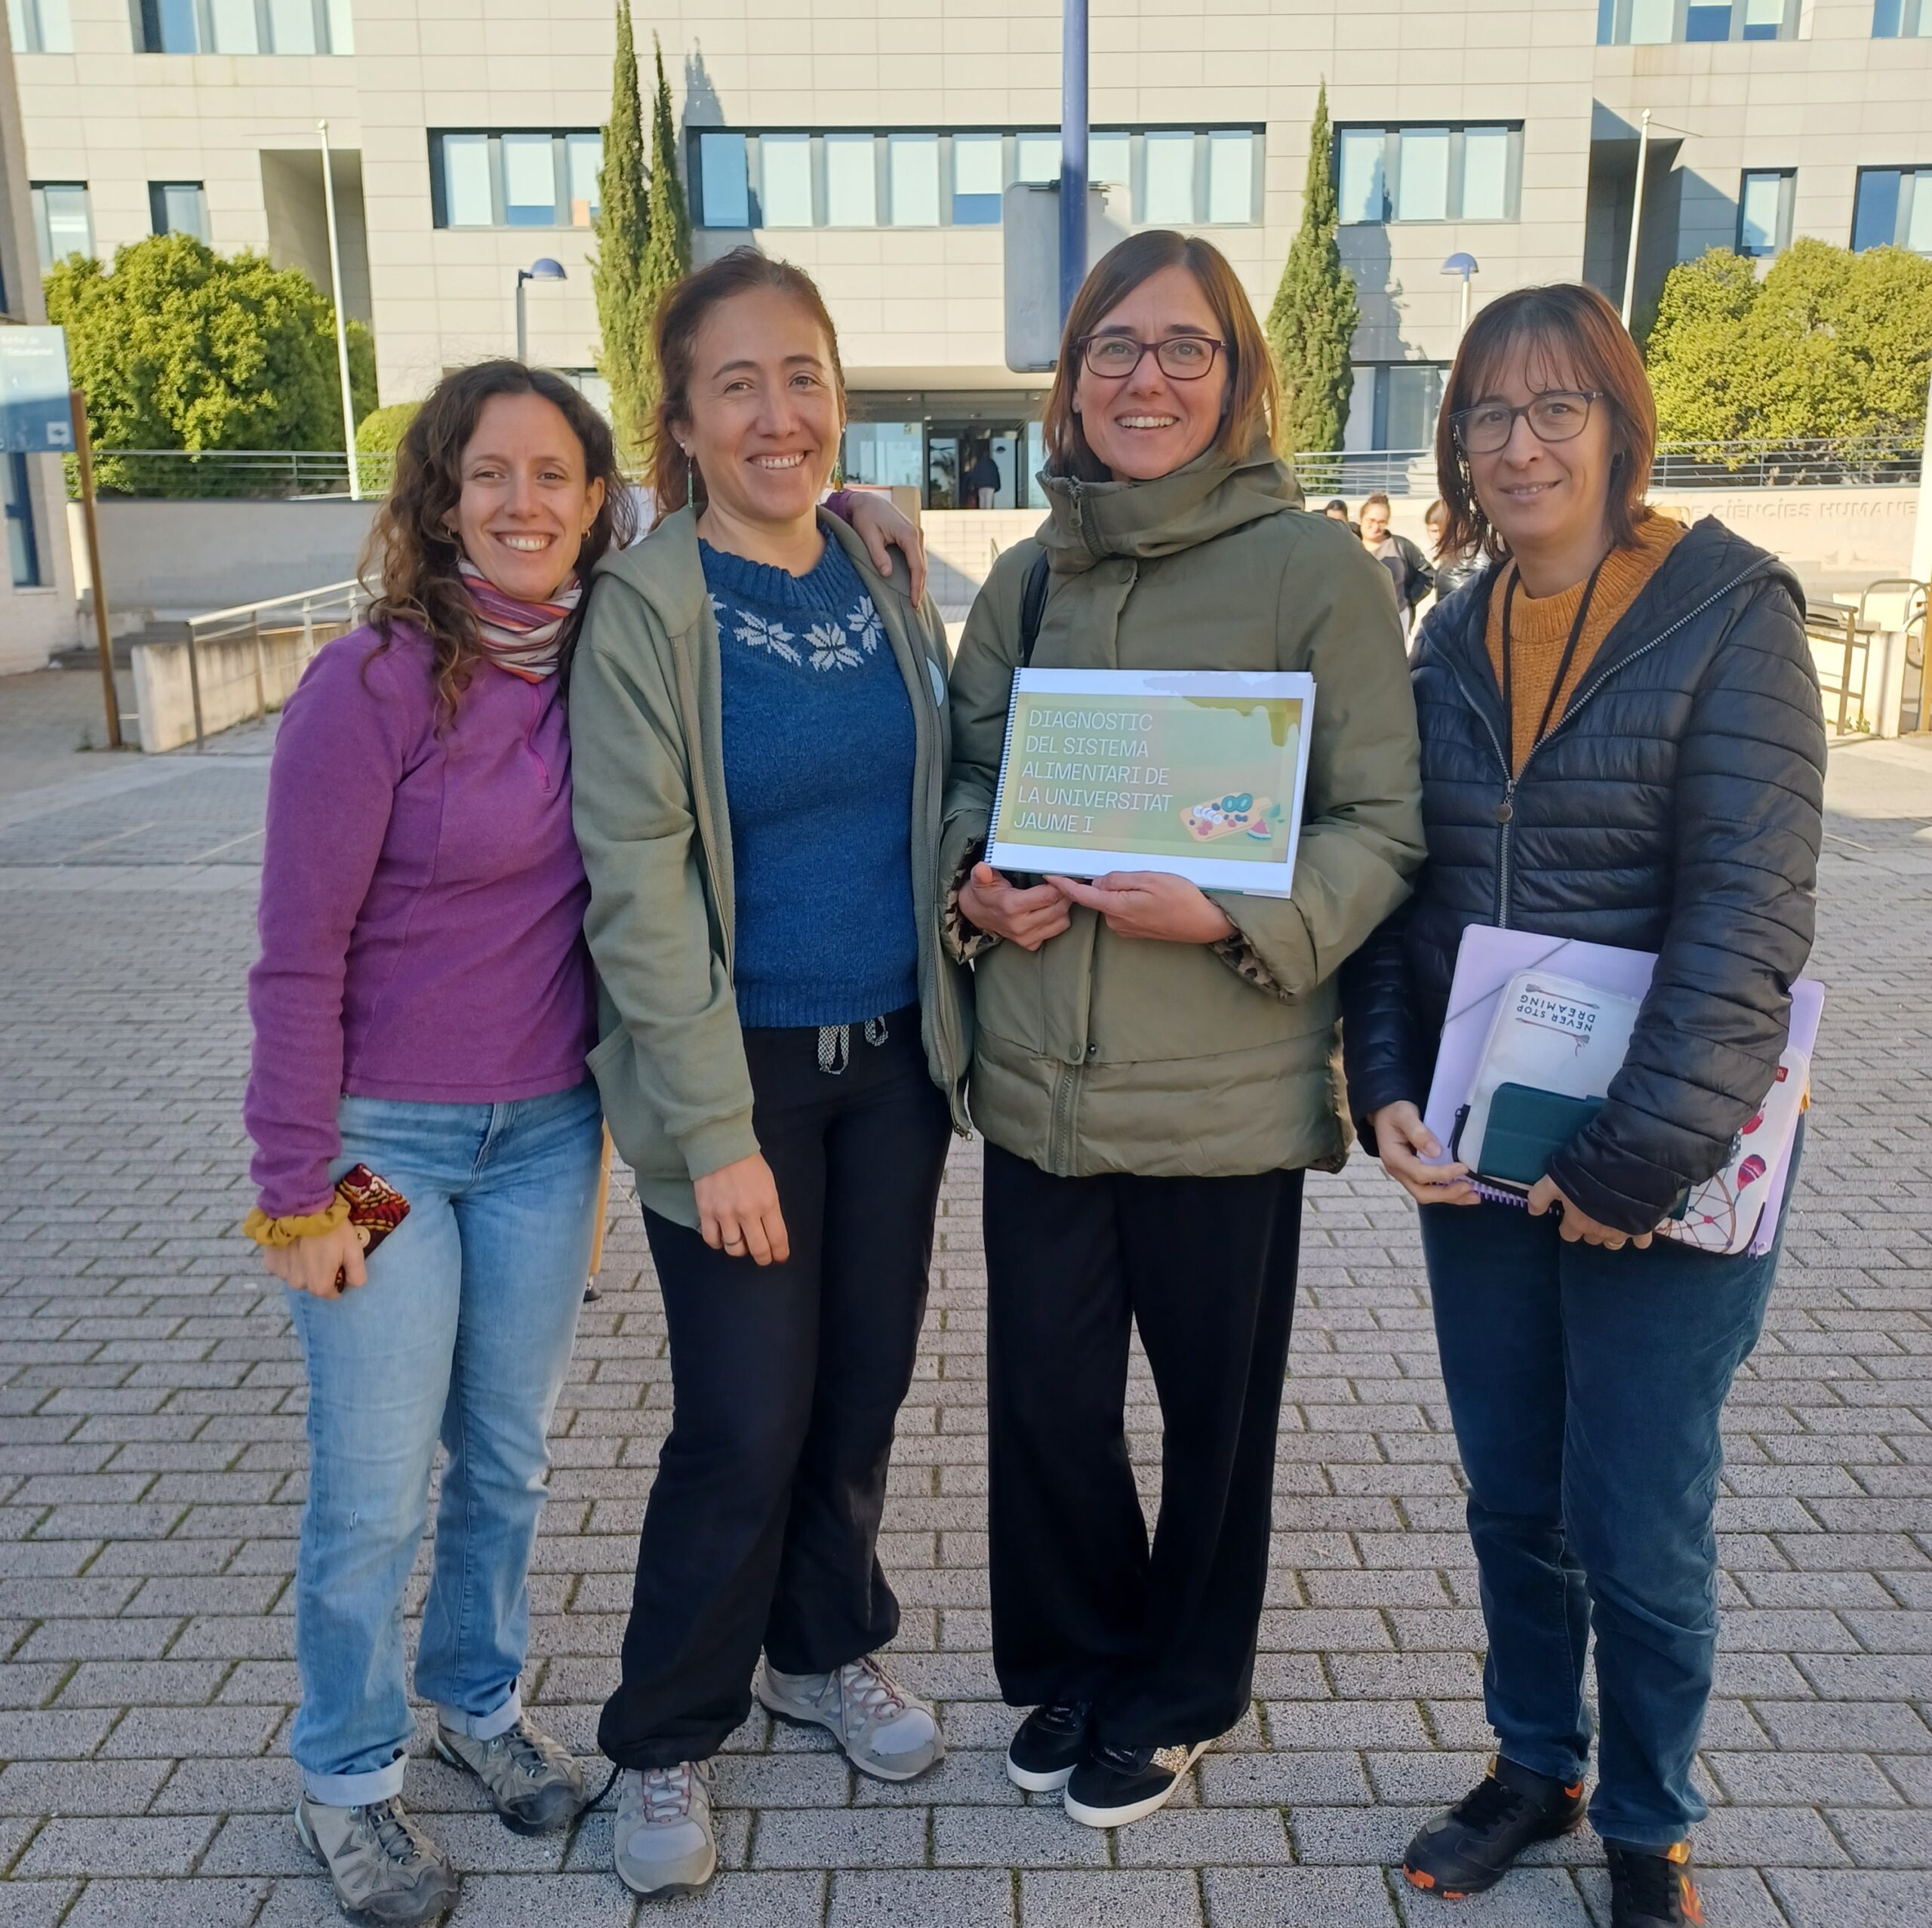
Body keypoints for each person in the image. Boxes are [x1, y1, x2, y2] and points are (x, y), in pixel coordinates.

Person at [1341, 283, 1826, 1928]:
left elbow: (1747, 922)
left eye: (1558, 406)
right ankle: (1535, 1763)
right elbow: (1400, 890)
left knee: (1638, 1517)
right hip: (1486, 1155)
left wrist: (1627, 1162)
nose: (1521, 441)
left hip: (1666, 1163)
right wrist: (1384, 1084)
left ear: (1622, 425)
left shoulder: (1728, 613)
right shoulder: (1446, 637)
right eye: (1488, 411)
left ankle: (1646, 1816)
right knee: (1512, 1497)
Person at [943, 230, 1426, 1831]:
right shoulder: (1029, 576)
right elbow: (970, 771)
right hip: (1042, 1088)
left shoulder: (1312, 572)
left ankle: (1183, 1687)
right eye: (1114, 348)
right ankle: (1083, 1659)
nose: (1145, 378)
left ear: (1236, 376)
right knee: (1047, 1410)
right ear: (1071, 379)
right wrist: (975, 876)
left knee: (1215, 1422)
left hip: (1223, 1093)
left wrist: (1228, 915)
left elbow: (1380, 820)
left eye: (1184, 348)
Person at [569, 248, 970, 1901]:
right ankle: (663, 1732)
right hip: (732, 1080)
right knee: (743, 1418)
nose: (777, 413)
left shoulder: (880, 567)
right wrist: (713, 1131)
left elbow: (939, 774)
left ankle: (822, 1644)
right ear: (678, 423)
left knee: (859, 1391)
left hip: (894, 1067)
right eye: (735, 384)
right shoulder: (645, 611)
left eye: (801, 375)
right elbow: (636, 889)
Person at [242, 361, 635, 1928]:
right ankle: (345, 1776)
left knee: (510, 1459)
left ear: (595, 502)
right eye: (490, 473)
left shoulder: (609, 667)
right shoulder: (370, 684)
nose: (521, 502)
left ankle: (477, 1701)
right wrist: (295, 1195)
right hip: (381, 1148)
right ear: (443, 497)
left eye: (553, 474)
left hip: (546, 1139)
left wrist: (866, 510)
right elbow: (295, 955)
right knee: (374, 1483)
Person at [1360, 490, 1435, 635]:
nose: (1376, 526)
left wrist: (1408, 599)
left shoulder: (1401, 546)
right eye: (1371, 520)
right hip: (1359, 620)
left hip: (1396, 619)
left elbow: (1427, 574)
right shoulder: (1351, 546)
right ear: (1362, 518)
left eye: (1381, 522)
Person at [1424, 494, 1486, 601]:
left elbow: (1485, 590)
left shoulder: (1473, 552)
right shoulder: (1452, 553)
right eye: (1431, 531)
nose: (1435, 537)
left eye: (1437, 531)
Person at [965, 442, 1001, 508]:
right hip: (991, 486)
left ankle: (982, 513)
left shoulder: (979, 464)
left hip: (981, 485)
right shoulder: (992, 464)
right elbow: (997, 475)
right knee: (988, 501)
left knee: (982, 501)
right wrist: (998, 486)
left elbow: (975, 475)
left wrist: (971, 485)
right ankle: (987, 513)